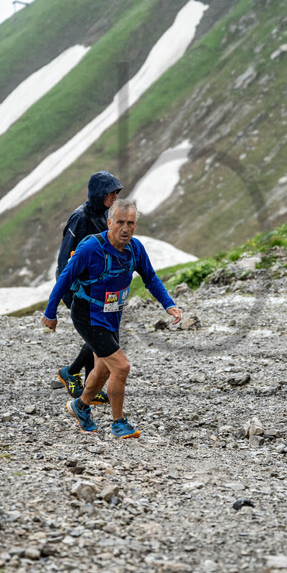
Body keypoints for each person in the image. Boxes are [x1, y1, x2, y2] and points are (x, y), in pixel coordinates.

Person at [42, 199, 181, 438]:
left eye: (130, 223)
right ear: (109, 223)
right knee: (122, 366)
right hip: (87, 314)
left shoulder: (136, 249)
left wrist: (169, 304)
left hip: (111, 315)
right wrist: (50, 313)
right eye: (120, 223)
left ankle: (80, 407)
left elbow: (151, 279)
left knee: (104, 370)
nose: (125, 228)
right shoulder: (91, 248)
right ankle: (118, 423)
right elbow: (65, 278)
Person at [54, 171, 124, 404]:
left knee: (105, 333)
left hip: (100, 289)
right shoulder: (80, 218)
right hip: (76, 288)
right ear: (99, 193)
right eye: (111, 192)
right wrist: (70, 288)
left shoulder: (105, 215)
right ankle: (72, 373)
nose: (115, 196)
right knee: (99, 333)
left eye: (117, 192)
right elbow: (66, 259)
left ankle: (85, 383)